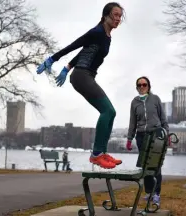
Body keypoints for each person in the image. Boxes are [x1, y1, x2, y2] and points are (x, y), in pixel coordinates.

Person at [36, 2, 125, 169]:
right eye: (115, 14)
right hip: (82, 76)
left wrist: (67, 68)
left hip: (86, 75)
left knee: (111, 113)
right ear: (105, 15)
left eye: (120, 16)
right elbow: (75, 44)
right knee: (107, 111)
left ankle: (102, 153)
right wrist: (52, 59)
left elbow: (84, 51)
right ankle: (96, 155)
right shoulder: (97, 32)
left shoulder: (106, 36)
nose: (118, 18)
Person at [126, 76, 170, 206]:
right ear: (137, 87)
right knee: (145, 166)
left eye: (144, 85)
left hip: (156, 135)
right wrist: (129, 138)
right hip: (141, 136)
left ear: (148, 86)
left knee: (156, 166)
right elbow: (132, 122)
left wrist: (166, 134)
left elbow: (163, 118)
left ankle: (156, 194)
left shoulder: (155, 99)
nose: (142, 87)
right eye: (139, 85)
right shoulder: (134, 102)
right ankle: (148, 192)